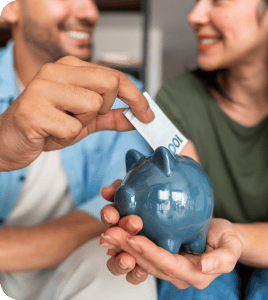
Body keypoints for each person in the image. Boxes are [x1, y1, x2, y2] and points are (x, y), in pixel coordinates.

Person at [99, 0, 268, 299]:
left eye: (218, 1)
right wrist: (211, 239)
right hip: (205, 249)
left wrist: (230, 239)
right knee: (196, 289)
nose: (194, 16)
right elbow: (189, 201)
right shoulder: (177, 99)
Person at [0, 0, 159, 299]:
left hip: (72, 273)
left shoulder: (126, 97)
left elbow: (109, 216)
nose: (90, 12)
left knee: (121, 276)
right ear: (10, 7)